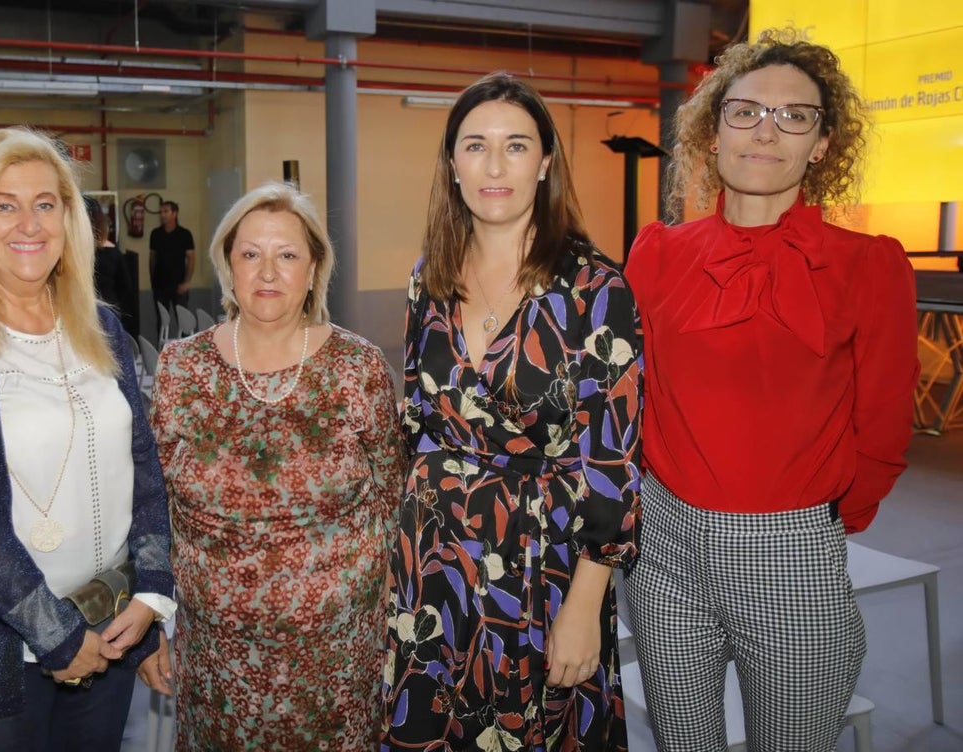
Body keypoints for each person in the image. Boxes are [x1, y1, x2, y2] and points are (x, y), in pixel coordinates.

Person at [622, 29, 919, 752]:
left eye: (795, 116)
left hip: (791, 552)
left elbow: (882, 419)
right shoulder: (657, 252)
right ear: (713, 129)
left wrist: (814, 524)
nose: (766, 132)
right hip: (663, 551)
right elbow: (626, 400)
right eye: (746, 111)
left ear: (822, 143)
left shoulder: (869, 265)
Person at [381, 72, 642, 751]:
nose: (495, 166)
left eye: (517, 146)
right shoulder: (427, 278)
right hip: (433, 559)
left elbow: (612, 462)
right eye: (475, 146)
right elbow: (414, 421)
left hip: (542, 565)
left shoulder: (594, 289)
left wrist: (585, 603)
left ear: (546, 163)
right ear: (452, 164)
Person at [0, 127, 176, 751]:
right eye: (5, 204)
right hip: (11, 649)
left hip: (114, 624)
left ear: (69, 218)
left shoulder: (101, 325)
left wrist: (154, 591)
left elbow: (144, 468)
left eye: (45, 203)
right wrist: (57, 635)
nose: (29, 223)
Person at [146, 181, 407, 750]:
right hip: (217, 667)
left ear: (314, 268)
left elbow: (394, 495)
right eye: (250, 254)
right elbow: (151, 507)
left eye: (287, 255)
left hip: (337, 665)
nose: (268, 272)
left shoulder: (357, 367)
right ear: (227, 267)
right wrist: (150, 625)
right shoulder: (180, 371)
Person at [87, 196, 137, 338]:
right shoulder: (114, 253)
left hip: (86, 308)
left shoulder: (80, 254)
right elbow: (126, 285)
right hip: (110, 307)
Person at [149, 199, 195, 337]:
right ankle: (162, 353)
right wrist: (153, 281)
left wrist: (187, 282)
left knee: (183, 321)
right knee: (161, 322)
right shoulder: (156, 234)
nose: (162, 215)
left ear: (174, 213)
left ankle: (187, 354)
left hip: (179, 285)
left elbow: (191, 259)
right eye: (161, 212)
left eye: (166, 211)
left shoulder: (184, 234)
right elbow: (152, 258)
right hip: (160, 285)